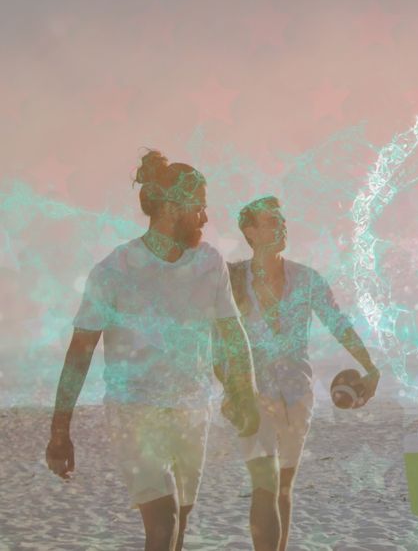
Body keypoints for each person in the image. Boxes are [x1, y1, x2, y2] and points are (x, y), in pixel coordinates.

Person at [45, 150, 265, 550]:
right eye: (198, 208)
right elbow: (80, 352)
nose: (205, 218)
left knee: (179, 522)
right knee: (161, 525)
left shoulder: (209, 263)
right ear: (171, 209)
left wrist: (244, 394)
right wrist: (60, 431)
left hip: (192, 408)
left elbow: (231, 333)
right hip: (134, 411)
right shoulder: (114, 271)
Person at [226, 195, 381, 551]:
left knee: (283, 488)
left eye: (282, 220)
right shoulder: (233, 279)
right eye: (270, 222)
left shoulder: (307, 279)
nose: (281, 226)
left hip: (297, 394)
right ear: (250, 231)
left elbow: (337, 323)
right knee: (263, 487)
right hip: (253, 395)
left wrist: (369, 365)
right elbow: (218, 336)